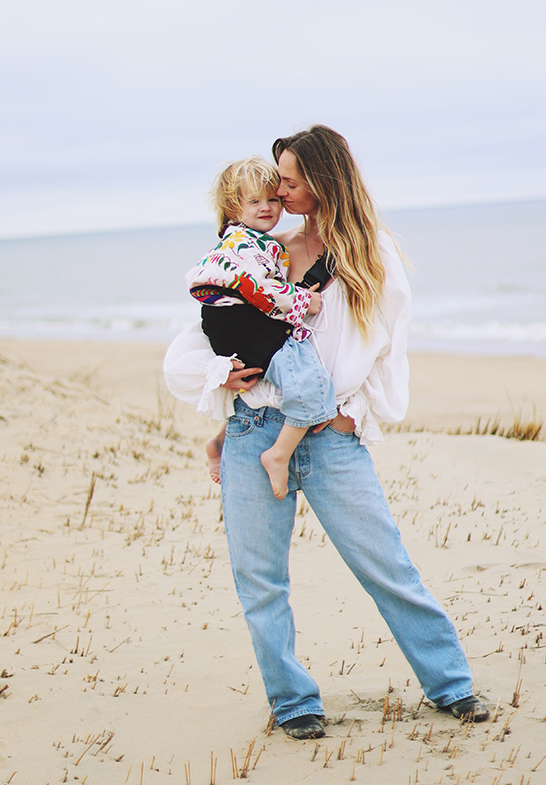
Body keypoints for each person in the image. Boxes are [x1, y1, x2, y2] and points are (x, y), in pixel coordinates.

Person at [164, 125, 488, 740]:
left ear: (322, 181)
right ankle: (293, 703)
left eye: (289, 181)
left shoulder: (375, 258)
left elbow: (388, 353)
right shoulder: (268, 252)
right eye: (276, 182)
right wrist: (220, 373)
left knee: (387, 566)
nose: (280, 194)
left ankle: (451, 685)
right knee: (260, 581)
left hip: (334, 437)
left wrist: (359, 415)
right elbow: (193, 345)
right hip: (255, 433)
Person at [186, 157, 337, 498]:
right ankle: (278, 455)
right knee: (312, 389)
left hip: (231, 323)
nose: (267, 207)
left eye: (272, 198)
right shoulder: (245, 245)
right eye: (254, 201)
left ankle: (219, 441)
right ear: (233, 207)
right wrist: (302, 302)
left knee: (262, 381)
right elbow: (261, 290)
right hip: (237, 323)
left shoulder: (248, 239)